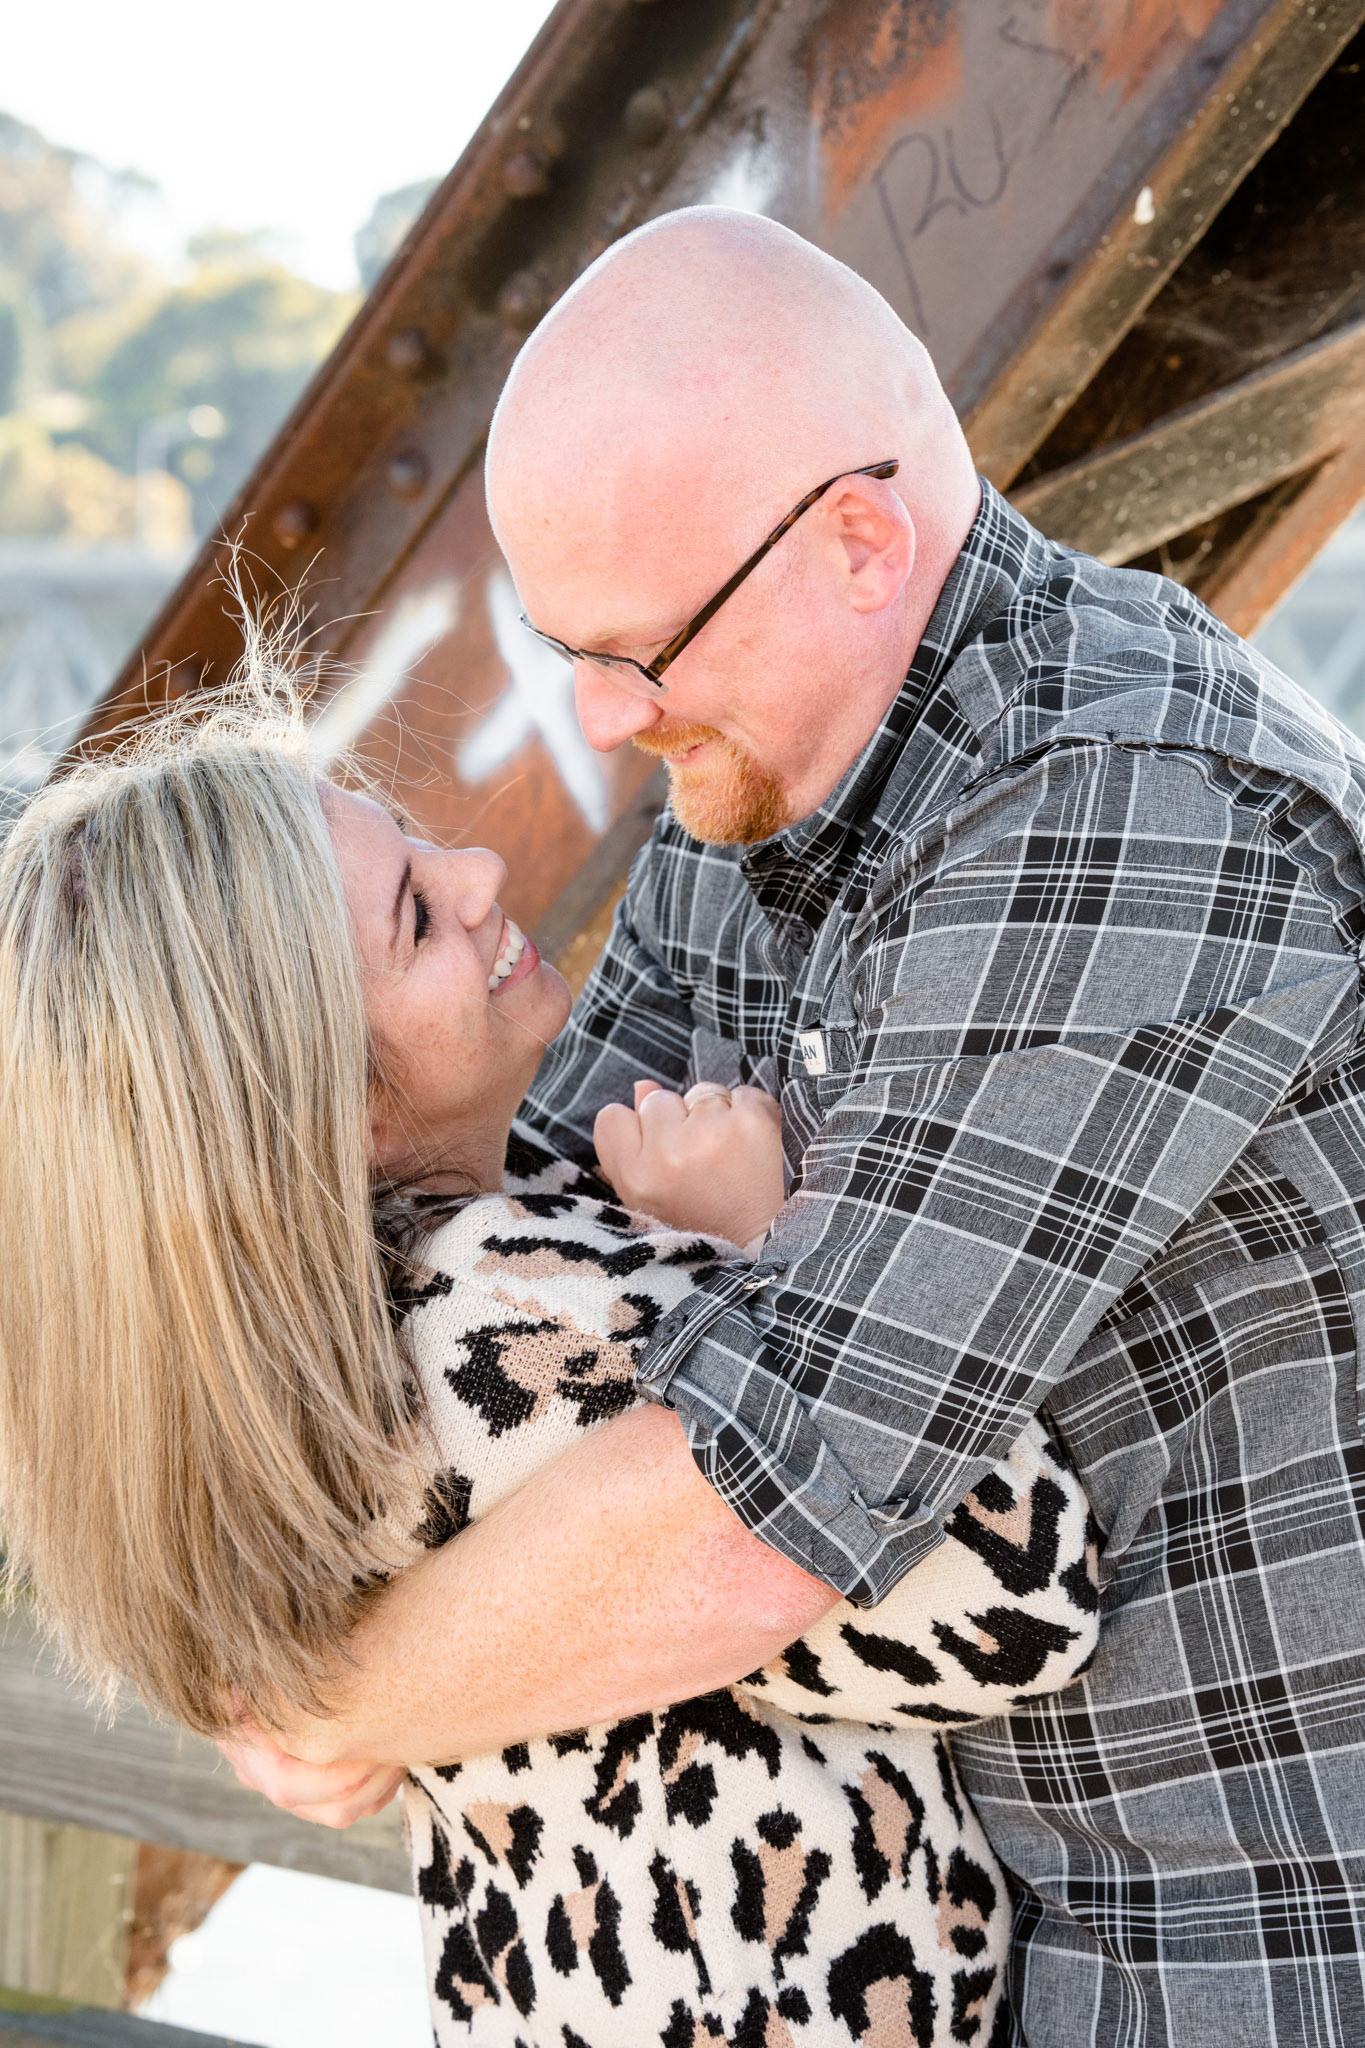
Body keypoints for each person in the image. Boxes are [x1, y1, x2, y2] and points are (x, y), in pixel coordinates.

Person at [225, 208, 1365, 2046]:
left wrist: (336, 1696)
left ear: (856, 540)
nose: (601, 719)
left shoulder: (1123, 806)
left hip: (1253, 1930)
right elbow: (543, 1219)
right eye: (566, 647)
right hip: (1025, 1926)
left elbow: (761, 1510)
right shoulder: (757, 779)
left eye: (640, 650)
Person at [0, 682, 1101, 2046]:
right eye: (415, 917)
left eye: (413, 837)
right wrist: (767, 1241)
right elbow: (1021, 1597)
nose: (475, 871)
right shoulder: (510, 1317)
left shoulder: (326, 1354)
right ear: (328, 1103)